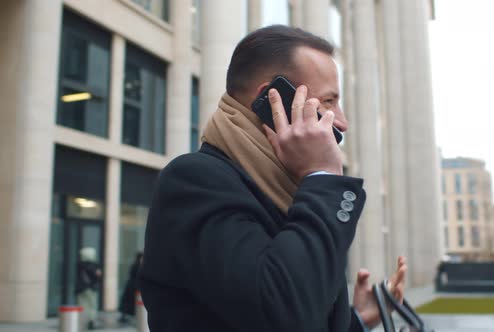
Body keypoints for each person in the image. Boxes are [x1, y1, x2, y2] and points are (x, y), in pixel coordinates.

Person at [139, 25, 408, 331]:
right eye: (329, 102)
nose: (342, 123)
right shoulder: (195, 181)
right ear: (273, 99)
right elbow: (282, 313)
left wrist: (353, 321)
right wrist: (321, 176)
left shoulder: (287, 189)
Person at [76, 247, 102, 330]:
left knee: (82, 305)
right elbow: (97, 276)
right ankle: (90, 321)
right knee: (91, 306)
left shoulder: (80, 264)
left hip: (81, 288)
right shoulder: (93, 265)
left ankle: (82, 321)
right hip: (91, 288)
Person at [119, 252, 143, 324]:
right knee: (130, 301)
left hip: (131, 286)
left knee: (129, 302)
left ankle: (126, 315)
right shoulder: (138, 266)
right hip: (133, 286)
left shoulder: (136, 265)